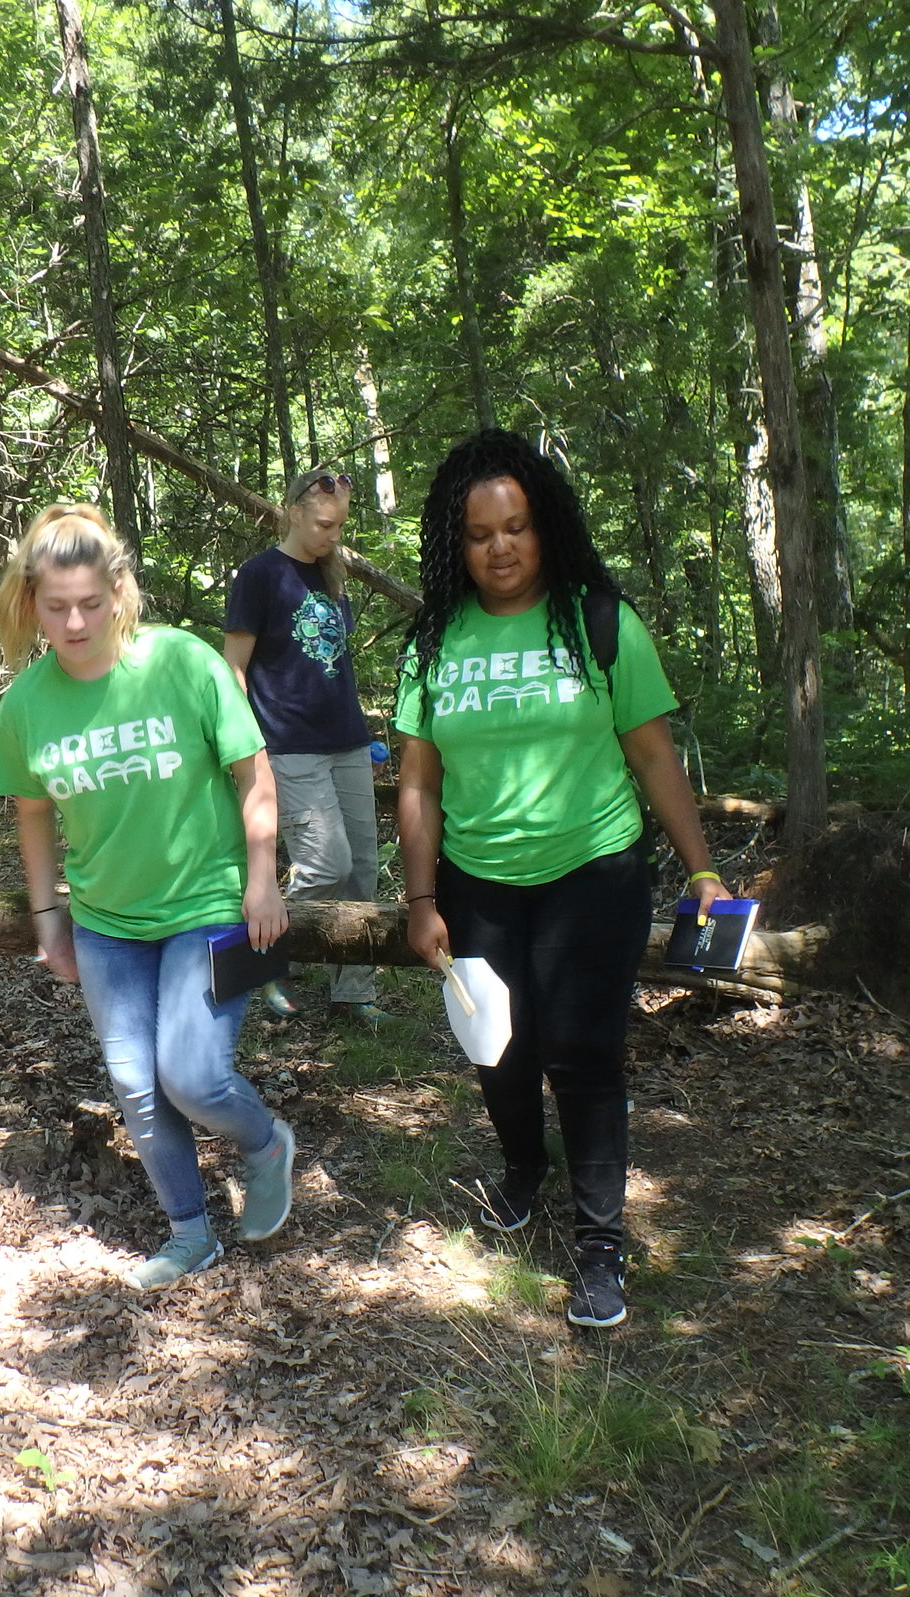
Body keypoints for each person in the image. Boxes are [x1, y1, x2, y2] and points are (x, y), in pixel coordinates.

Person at [393, 431, 726, 1330]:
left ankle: (601, 1244)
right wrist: (422, 901)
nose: (500, 547)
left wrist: (702, 870)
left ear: (547, 527)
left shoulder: (599, 619)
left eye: (518, 527)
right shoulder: (433, 643)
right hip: (476, 881)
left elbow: (652, 754)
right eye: (479, 533)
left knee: (583, 1054)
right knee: (497, 1048)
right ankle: (521, 1168)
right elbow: (418, 780)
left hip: (593, 871)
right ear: (454, 543)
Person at [0, 503, 296, 1289]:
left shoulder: (183, 662)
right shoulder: (26, 705)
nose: (76, 620)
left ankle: (265, 1145)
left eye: (90, 601)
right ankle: (190, 1231)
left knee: (193, 1076)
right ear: (31, 603)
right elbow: (32, 815)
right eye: (56, 607)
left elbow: (253, 771)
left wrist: (263, 878)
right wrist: (47, 917)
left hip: (207, 903)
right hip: (106, 922)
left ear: (118, 589)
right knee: (136, 1085)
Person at [222, 467, 384, 1027]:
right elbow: (234, 670)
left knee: (362, 868)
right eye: (323, 524)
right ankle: (265, 965)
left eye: (339, 526)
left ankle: (353, 991)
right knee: (324, 863)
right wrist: (248, 745)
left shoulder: (330, 577)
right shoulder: (261, 575)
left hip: (348, 741)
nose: (332, 535)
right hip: (287, 746)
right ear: (293, 511)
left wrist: (367, 735)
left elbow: (332, 669)